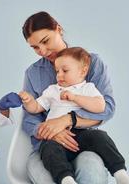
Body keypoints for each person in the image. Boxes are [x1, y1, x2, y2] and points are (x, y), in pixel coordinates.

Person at [21, 11, 115, 184]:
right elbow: (29, 119)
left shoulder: (91, 63)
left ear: (59, 29)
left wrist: (68, 120)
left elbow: (106, 109)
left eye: (45, 41)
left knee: (91, 169)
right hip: (47, 147)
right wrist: (50, 132)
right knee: (47, 177)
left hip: (84, 142)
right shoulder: (32, 73)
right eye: (35, 47)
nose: (42, 51)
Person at [19, 47, 129, 184]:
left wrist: (75, 98)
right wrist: (28, 101)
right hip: (55, 138)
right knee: (49, 151)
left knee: (100, 137)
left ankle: (120, 173)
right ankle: (66, 179)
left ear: (83, 71)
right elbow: (36, 108)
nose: (59, 75)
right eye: (57, 71)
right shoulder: (53, 90)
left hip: (82, 134)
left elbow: (101, 106)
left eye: (65, 71)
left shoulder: (87, 88)